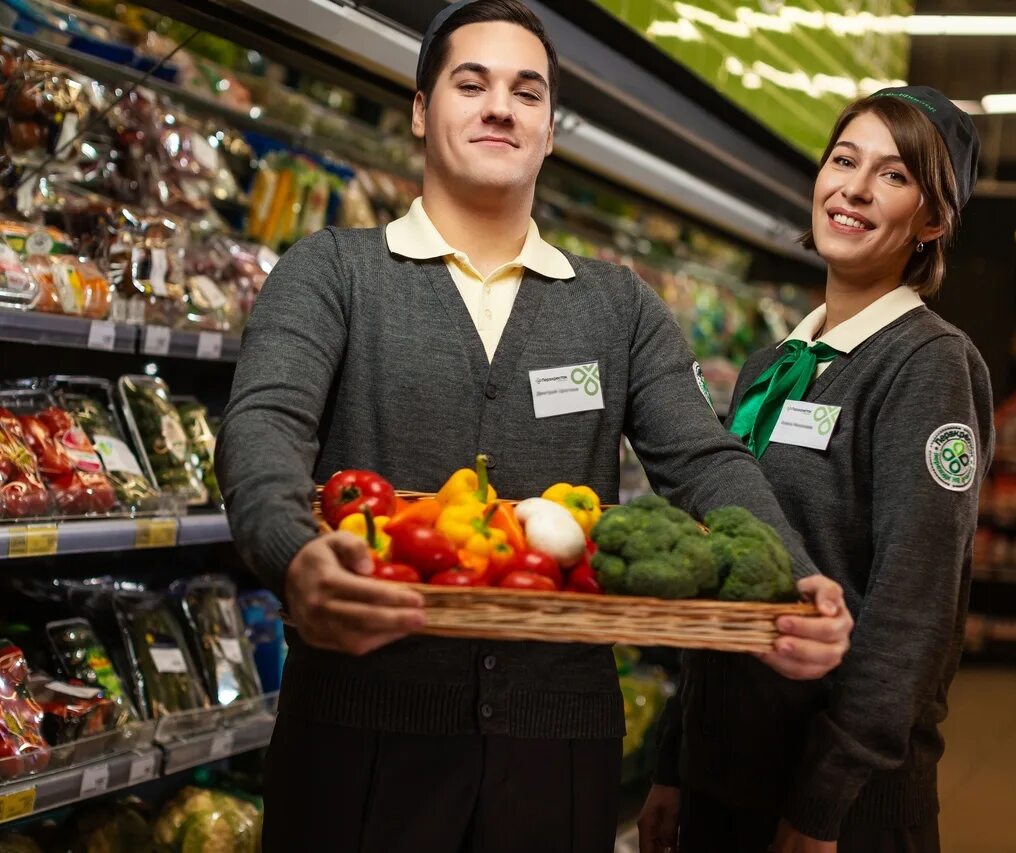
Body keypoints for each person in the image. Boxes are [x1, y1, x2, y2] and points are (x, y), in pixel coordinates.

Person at [218, 2, 852, 851]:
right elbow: (262, 428)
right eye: (470, 82)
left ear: (550, 129)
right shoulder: (332, 273)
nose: (499, 107)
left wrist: (794, 577)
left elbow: (704, 462)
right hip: (360, 737)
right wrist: (295, 552)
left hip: (557, 749)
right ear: (419, 108)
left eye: (528, 91)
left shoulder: (617, 306)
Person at [638, 86, 993, 853]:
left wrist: (824, 799)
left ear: (932, 220)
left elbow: (914, 610)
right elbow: (727, 560)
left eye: (895, 176)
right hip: (722, 775)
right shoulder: (776, 363)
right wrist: (675, 756)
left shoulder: (928, 365)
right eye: (844, 159)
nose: (854, 189)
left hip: (837, 805)